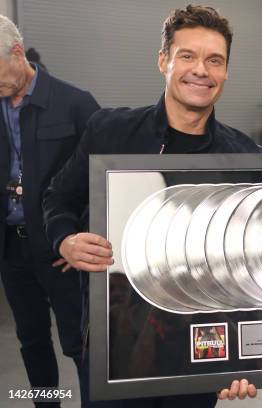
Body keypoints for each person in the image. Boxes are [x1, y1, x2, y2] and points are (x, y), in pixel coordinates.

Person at [42, 5, 259, 407]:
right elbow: (59, 196)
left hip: (200, 347)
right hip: (116, 339)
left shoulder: (245, 157)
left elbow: (261, 262)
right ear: (163, 61)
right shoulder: (110, 132)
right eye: (187, 56)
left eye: (215, 60)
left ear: (226, 72)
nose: (201, 70)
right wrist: (65, 239)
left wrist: (245, 355)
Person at [0, 14, 100, 408]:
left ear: (17, 52)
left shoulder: (76, 104)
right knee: (32, 341)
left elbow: (102, 179)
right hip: (13, 250)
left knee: (81, 345)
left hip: (63, 254)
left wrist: (76, 238)